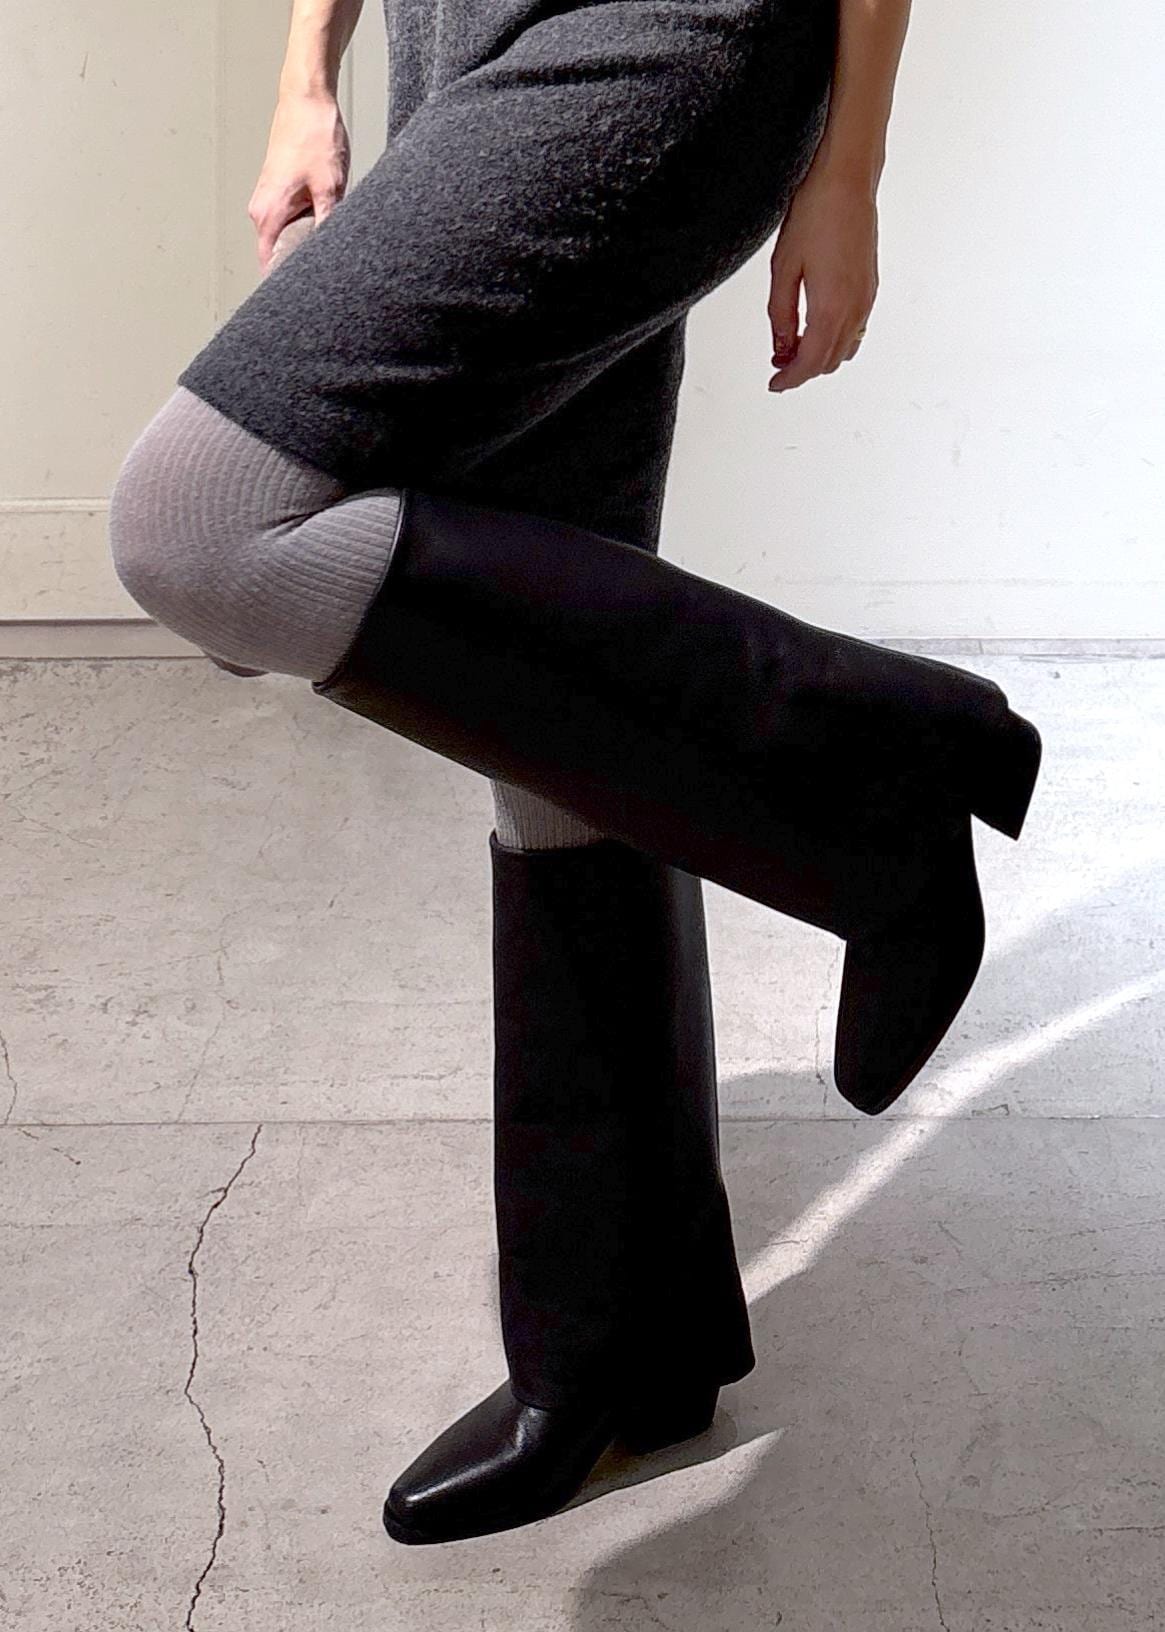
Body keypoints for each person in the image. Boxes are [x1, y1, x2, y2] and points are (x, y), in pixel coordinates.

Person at [107, 0, 1041, 1545]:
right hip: (453, 41)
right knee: (556, 713)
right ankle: (620, 1356)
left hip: (662, 33)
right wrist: (301, 77)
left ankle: (872, 766)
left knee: (194, 521)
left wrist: (848, 166)